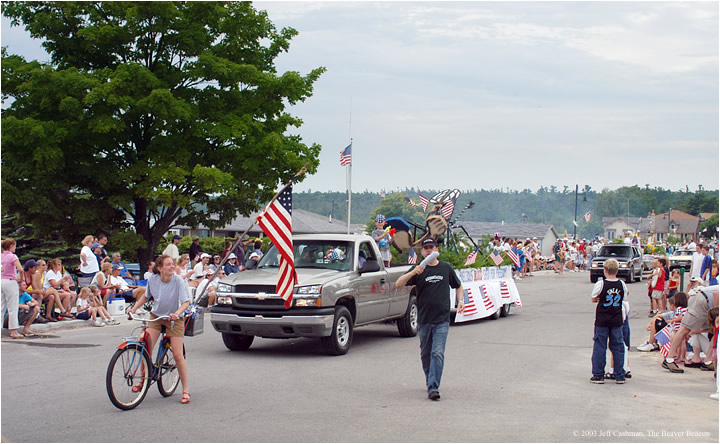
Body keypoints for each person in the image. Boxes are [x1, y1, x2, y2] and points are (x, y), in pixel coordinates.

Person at [395, 237, 464, 401]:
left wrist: (460, 301)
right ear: (422, 251)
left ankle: (434, 388)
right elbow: (398, 284)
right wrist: (413, 272)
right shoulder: (419, 269)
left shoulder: (445, 268)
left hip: (442, 319)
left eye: (431, 247)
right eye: (426, 248)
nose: (429, 250)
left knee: (437, 353)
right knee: (426, 354)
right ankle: (430, 380)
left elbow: (458, 285)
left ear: (436, 250)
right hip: (424, 320)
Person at [127, 255, 192, 404]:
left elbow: (186, 302)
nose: (172, 267)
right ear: (159, 268)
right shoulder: (153, 280)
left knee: (177, 354)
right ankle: (143, 380)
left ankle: (186, 390)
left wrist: (176, 314)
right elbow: (146, 296)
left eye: (173, 264)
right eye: (168, 264)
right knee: (146, 346)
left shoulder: (178, 281)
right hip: (157, 316)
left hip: (174, 318)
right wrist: (133, 309)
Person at [590, 258, 627, 384]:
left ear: (605, 270)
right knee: (617, 346)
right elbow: (625, 296)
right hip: (616, 318)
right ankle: (619, 374)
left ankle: (598, 374)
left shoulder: (601, 284)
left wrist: (599, 299)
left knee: (600, 346)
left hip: (602, 318)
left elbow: (594, 298)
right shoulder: (622, 284)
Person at [1, 238, 25, 338]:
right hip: (11, 281)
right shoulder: (12, 256)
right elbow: (20, 269)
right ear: (11, 246)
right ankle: (13, 331)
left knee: (1, 307)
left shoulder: (1, 255)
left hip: (1, 280)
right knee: (12, 307)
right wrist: (21, 279)